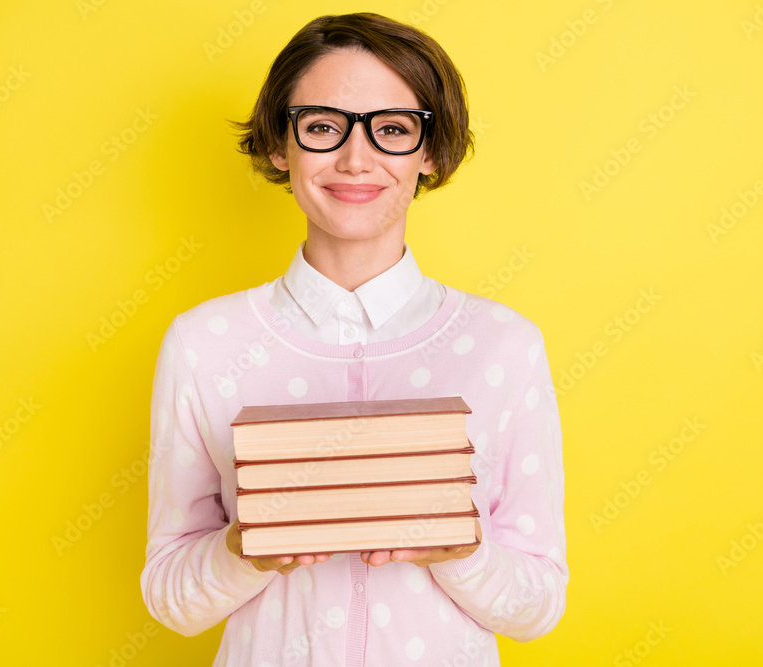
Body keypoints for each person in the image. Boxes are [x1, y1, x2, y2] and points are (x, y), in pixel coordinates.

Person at [140, 12, 567, 665]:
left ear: (430, 151)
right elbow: (170, 598)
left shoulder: (504, 345)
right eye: (322, 126)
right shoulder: (203, 343)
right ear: (281, 144)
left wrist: (461, 549)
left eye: (392, 129)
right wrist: (242, 548)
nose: (355, 157)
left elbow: (540, 605)